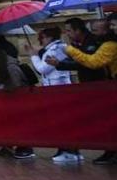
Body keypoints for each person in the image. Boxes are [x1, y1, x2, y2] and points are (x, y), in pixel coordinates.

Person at [59, 19, 117, 165]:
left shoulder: (108, 45)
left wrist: (70, 50)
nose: (112, 28)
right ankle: (111, 151)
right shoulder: (103, 43)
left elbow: (93, 62)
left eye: (113, 25)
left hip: (102, 86)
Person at [25, 27, 79, 163]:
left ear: (49, 37)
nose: (40, 41)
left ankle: (70, 151)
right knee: (59, 122)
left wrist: (33, 55)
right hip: (53, 89)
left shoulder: (57, 49)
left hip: (59, 89)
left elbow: (43, 68)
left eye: (41, 38)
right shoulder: (52, 49)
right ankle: (64, 148)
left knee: (64, 122)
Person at [0, 36, 34, 160]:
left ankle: (26, 148)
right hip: (10, 101)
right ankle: (10, 145)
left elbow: (16, 85)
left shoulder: (11, 66)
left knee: (22, 125)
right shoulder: (1, 68)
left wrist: (5, 87)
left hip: (18, 102)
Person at [51, 18, 106, 83]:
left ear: (77, 30)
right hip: (85, 80)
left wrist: (60, 64)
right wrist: (58, 62)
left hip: (98, 80)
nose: (67, 34)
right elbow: (73, 59)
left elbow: (83, 63)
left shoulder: (92, 41)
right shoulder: (76, 43)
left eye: (69, 31)